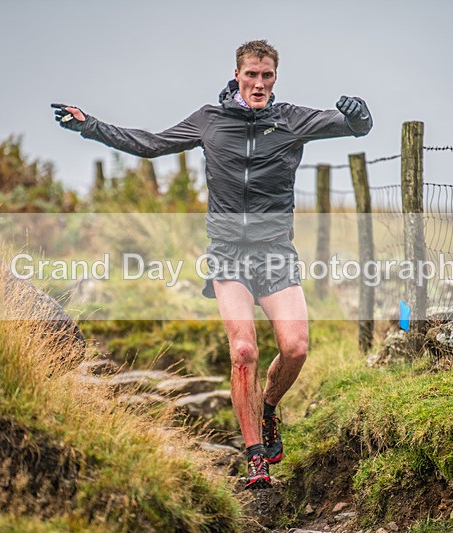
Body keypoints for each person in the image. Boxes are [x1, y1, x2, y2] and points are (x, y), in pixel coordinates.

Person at [52, 40, 372, 489]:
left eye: (267, 76)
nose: (259, 83)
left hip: (276, 252)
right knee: (243, 351)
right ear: (237, 76)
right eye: (251, 75)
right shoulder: (210, 120)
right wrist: (92, 127)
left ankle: (267, 408)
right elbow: (151, 144)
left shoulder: (293, 120)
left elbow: (354, 127)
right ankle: (255, 457)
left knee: (296, 347)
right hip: (228, 255)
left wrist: (360, 115)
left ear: (275, 78)